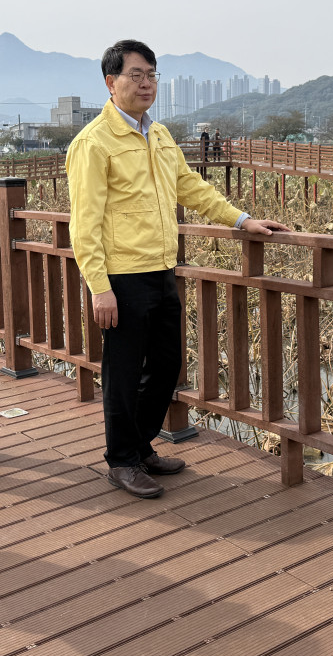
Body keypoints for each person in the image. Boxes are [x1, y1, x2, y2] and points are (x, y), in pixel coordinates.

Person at [66, 40, 289, 499]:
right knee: (123, 373)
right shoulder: (93, 143)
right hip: (122, 277)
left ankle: (141, 445)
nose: (146, 83)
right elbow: (84, 222)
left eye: (152, 74)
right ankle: (122, 460)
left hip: (162, 267)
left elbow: (190, 186)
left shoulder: (160, 135)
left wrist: (242, 220)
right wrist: (98, 287)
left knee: (166, 365)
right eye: (135, 75)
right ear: (111, 83)